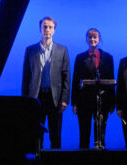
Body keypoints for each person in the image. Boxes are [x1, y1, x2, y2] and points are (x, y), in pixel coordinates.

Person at [22, 16, 70, 149]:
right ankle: (37, 159)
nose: (47, 29)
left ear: (54, 30)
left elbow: (66, 76)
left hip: (55, 97)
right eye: (44, 27)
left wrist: (65, 99)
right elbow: (26, 77)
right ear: (40, 29)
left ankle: (56, 160)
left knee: (55, 133)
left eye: (50, 27)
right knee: (36, 133)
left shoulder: (62, 50)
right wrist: (25, 100)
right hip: (36, 97)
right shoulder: (30, 50)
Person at [72, 28, 115, 149]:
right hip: (84, 101)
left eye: (95, 37)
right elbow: (75, 81)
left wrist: (112, 103)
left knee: (100, 137)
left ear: (99, 39)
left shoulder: (108, 58)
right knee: (84, 135)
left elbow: (112, 80)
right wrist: (74, 103)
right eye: (90, 37)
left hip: (103, 101)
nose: (92, 39)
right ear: (86, 39)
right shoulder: (80, 58)